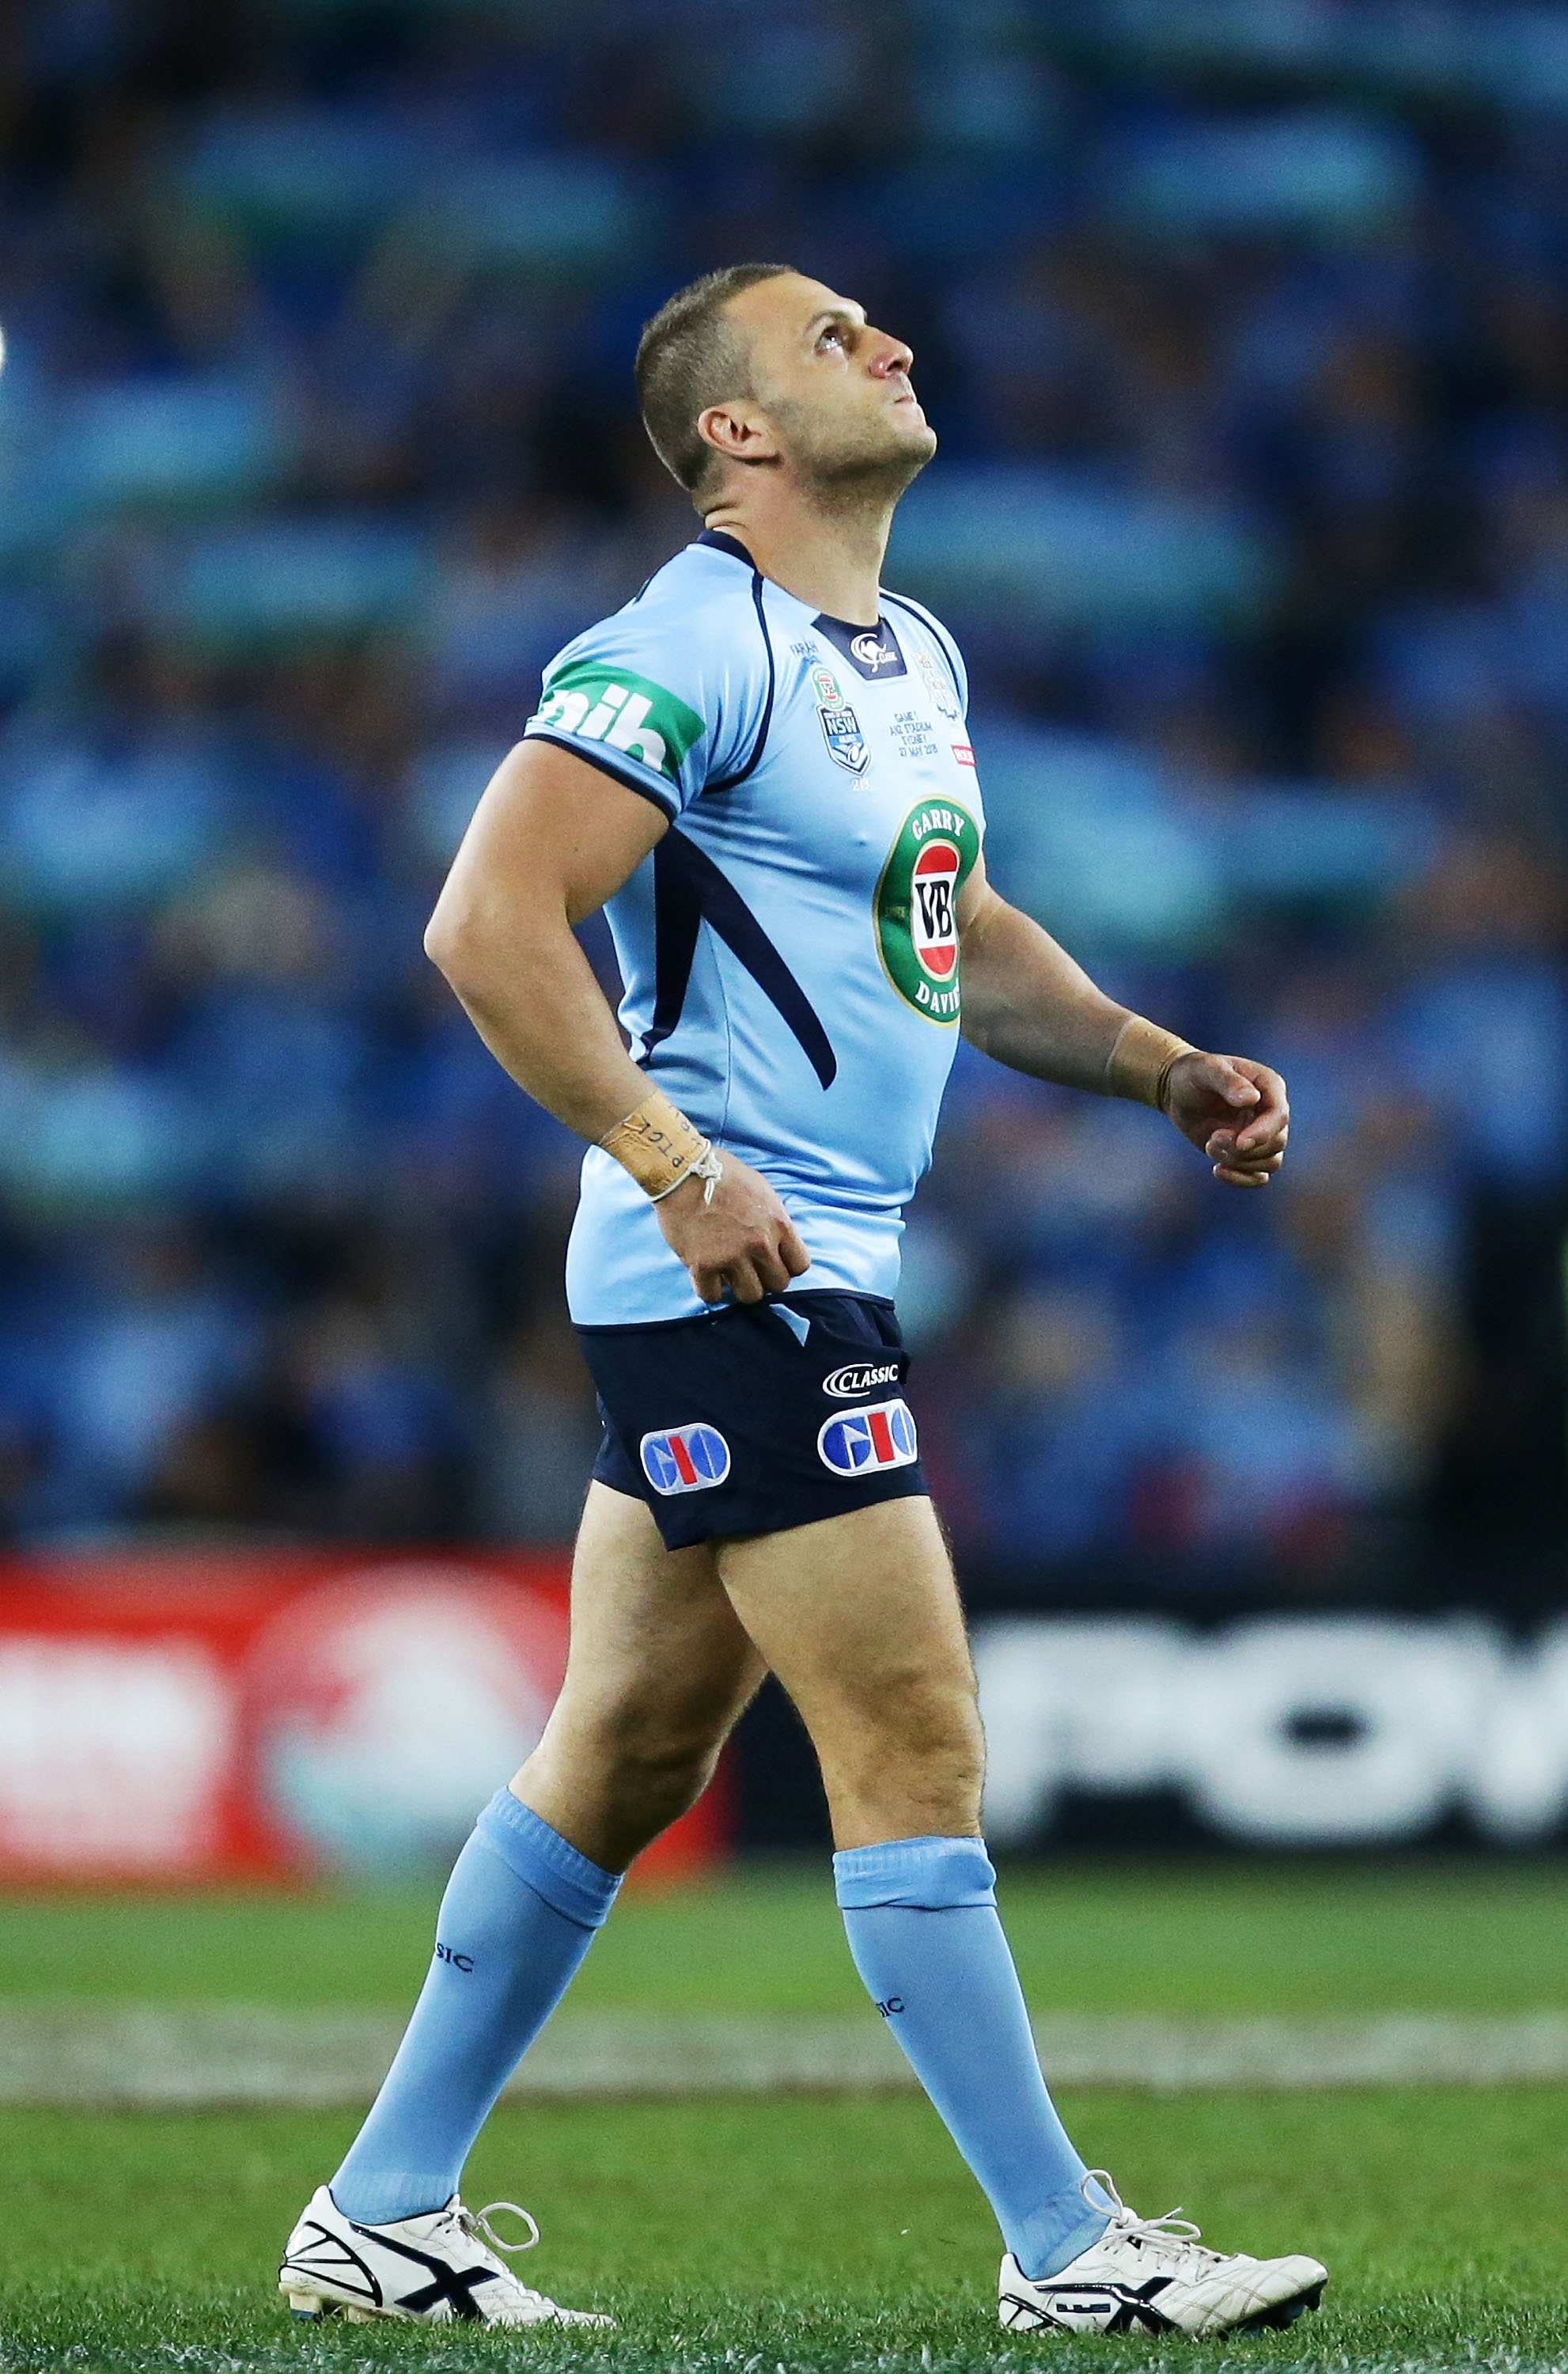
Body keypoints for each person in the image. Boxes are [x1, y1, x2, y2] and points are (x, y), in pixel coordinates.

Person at [278, 264, 1322, 2338]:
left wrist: (1155, 1065)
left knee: (625, 1753)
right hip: (740, 1271)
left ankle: (381, 2213)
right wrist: (678, 1168)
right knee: (913, 1733)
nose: (896, 345)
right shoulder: (686, 643)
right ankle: (1067, 2252)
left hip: (795, 1257)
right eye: (836, 337)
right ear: (734, 433)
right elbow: (488, 920)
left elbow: (952, 923)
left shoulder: (907, 653)